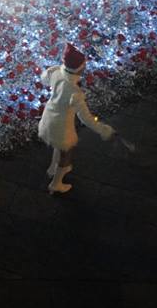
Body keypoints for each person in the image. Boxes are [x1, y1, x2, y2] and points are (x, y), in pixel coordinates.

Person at [37, 44, 116, 195]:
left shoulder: (55, 72)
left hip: (49, 117)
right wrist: (103, 130)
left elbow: (44, 79)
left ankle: (53, 167)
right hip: (61, 125)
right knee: (66, 152)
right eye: (84, 65)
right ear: (79, 68)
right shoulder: (75, 93)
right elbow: (86, 119)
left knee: (58, 145)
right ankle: (56, 183)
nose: (85, 67)